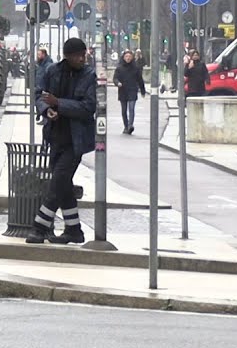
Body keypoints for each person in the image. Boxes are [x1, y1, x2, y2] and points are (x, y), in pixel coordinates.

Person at [28, 38, 97, 244]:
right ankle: (74, 230)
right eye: (78, 55)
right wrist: (46, 110)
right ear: (67, 56)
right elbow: (39, 95)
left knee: (57, 181)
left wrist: (58, 103)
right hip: (55, 136)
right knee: (64, 184)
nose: (82, 59)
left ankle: (40, 227)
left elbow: (88, 108)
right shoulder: (52, 71)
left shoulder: (89, 75)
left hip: (76, 140)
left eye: (84, 55)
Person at [114, 49, 147, 135]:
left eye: (129, 56)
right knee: (124, 110)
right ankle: (126, 126)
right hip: (123, 91)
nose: (128, 58)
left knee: (131, 109)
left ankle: (130, 125)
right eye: (126, 56)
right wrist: (118, 83)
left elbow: (140, 80)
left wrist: (143, 91)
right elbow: (115, 78)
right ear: (123, 57)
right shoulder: (119, 68)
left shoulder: (135, 68)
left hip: (132, 90)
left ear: (132, 58)